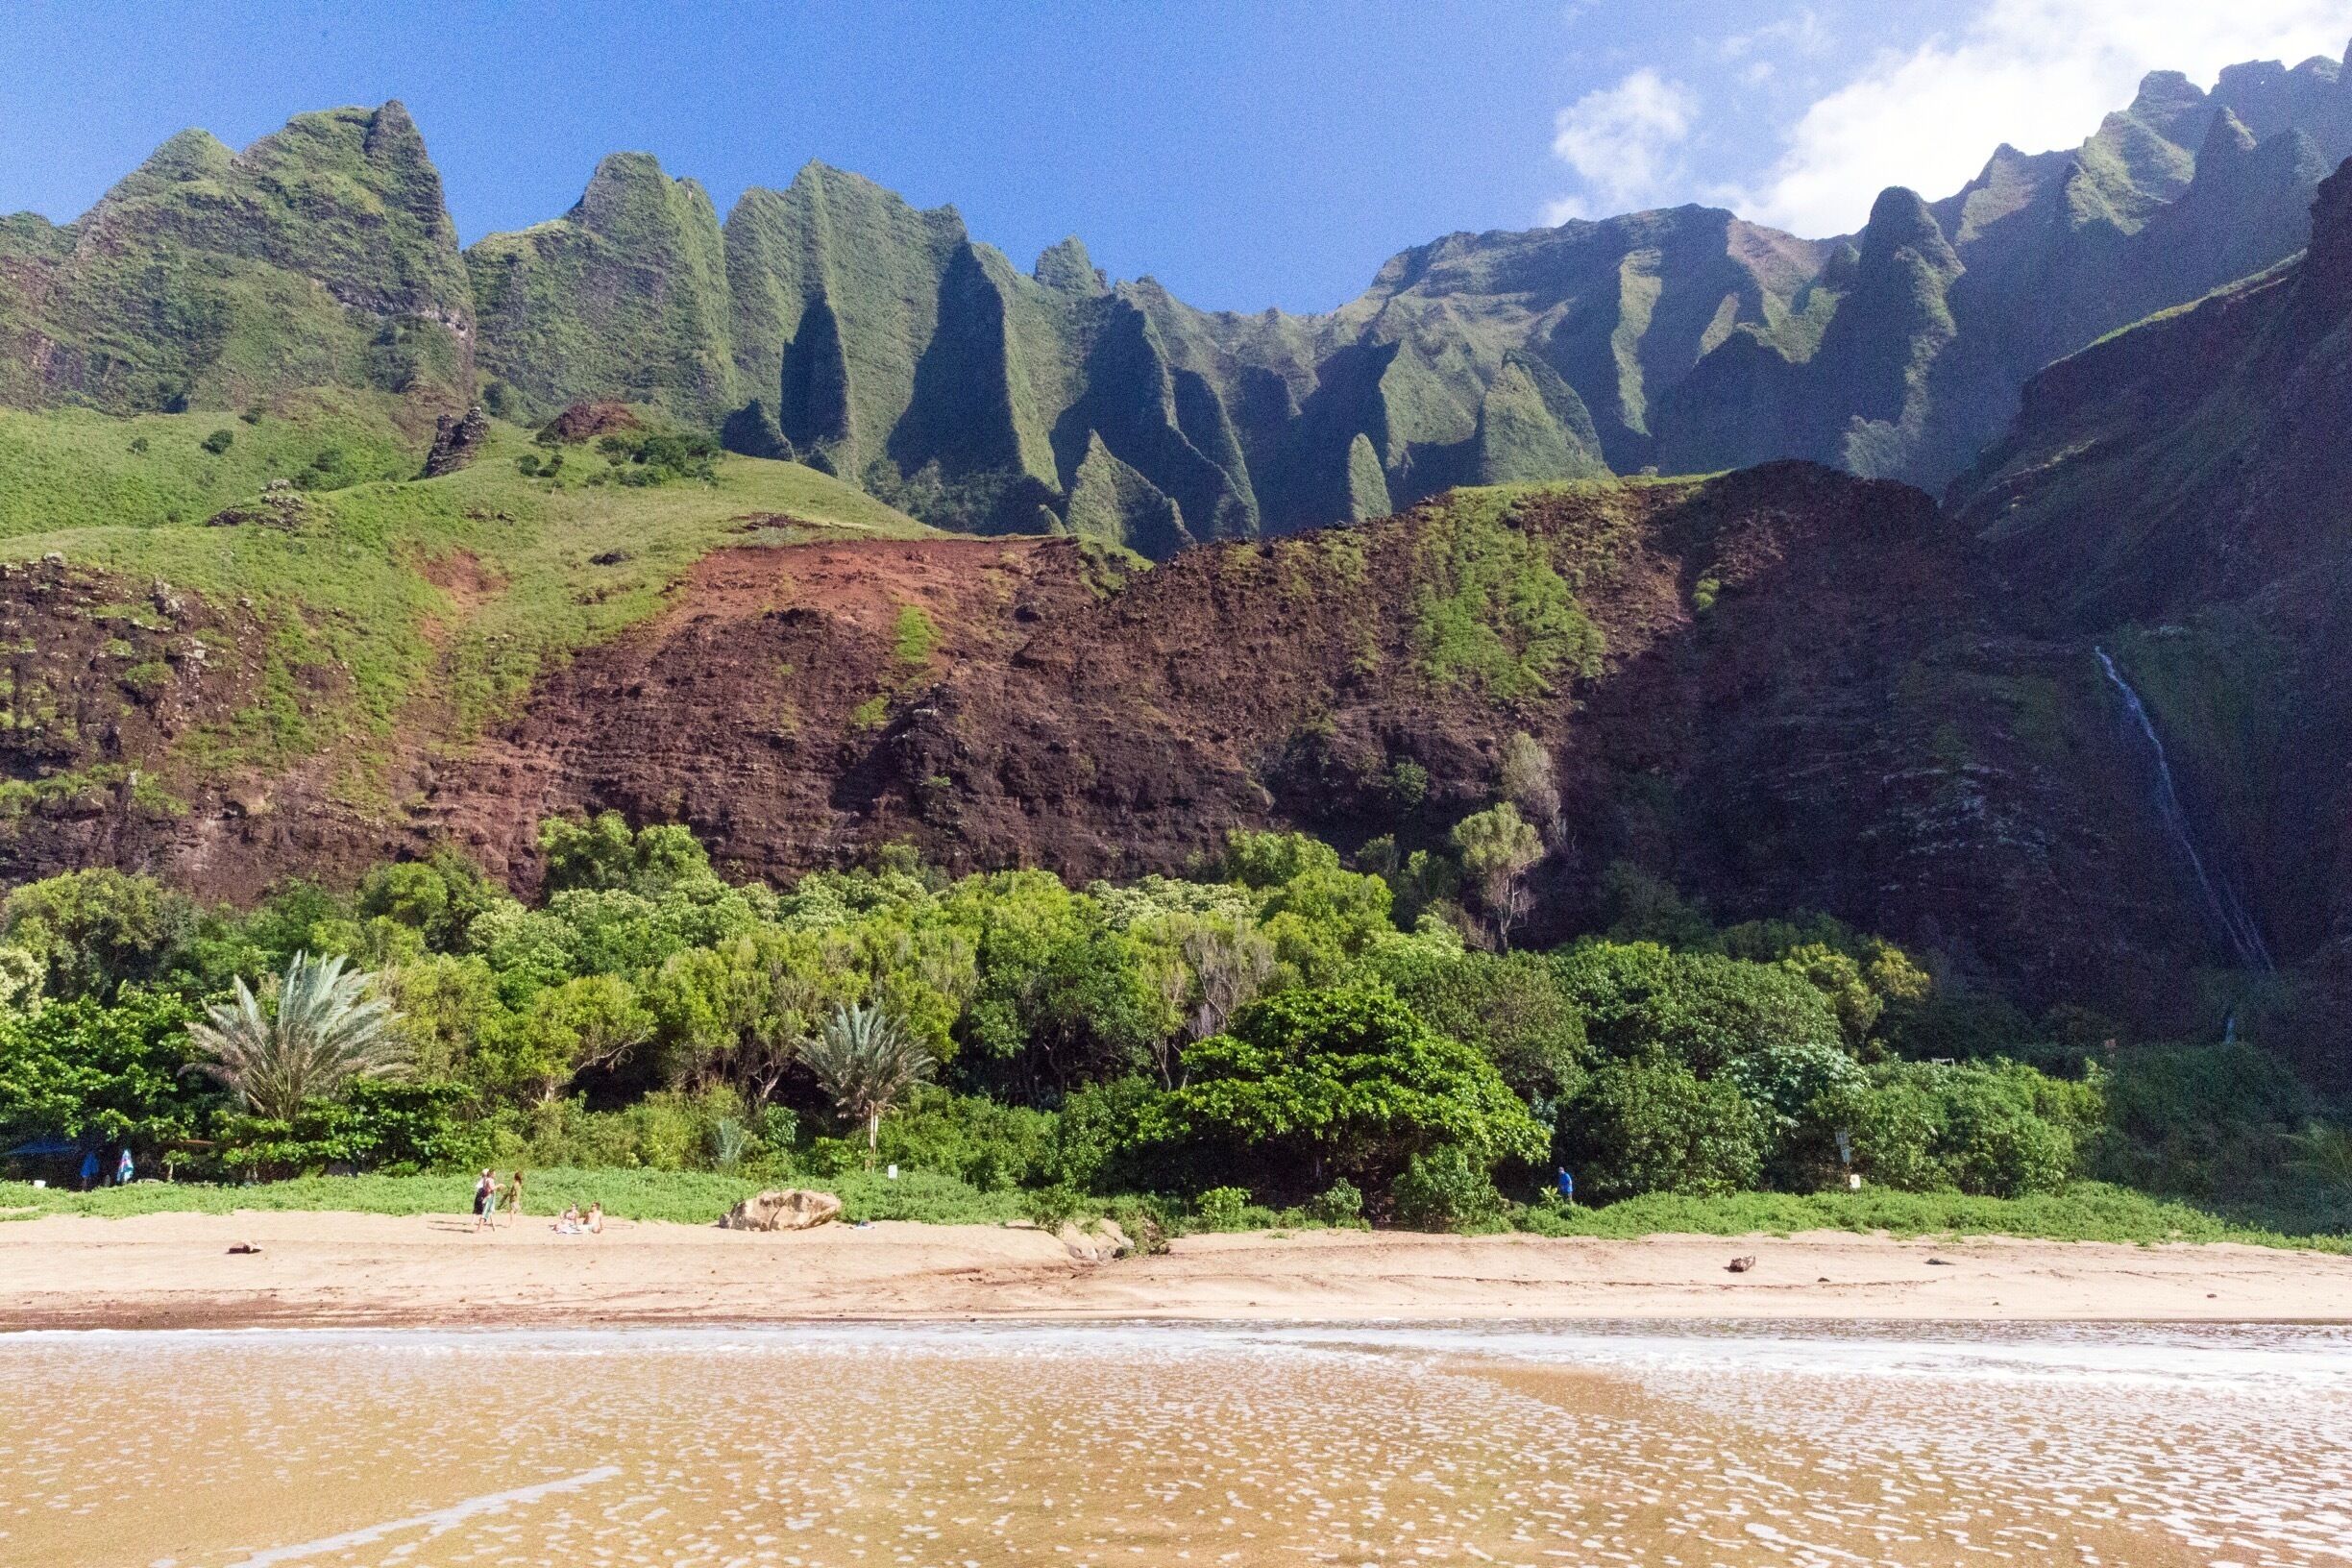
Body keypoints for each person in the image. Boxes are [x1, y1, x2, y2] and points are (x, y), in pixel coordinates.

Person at [473, 1168, 498, 1233]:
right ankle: (479, 1229)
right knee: (485, 1213)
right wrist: (499, 1185)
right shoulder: (489, 1180)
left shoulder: (488, 1180)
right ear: (491, 1174)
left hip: (489, 1198)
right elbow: (491, 1188)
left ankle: (480, 1228)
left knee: (487, 1213)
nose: (495, 1175)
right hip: (488, 1198)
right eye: (494, 1173)